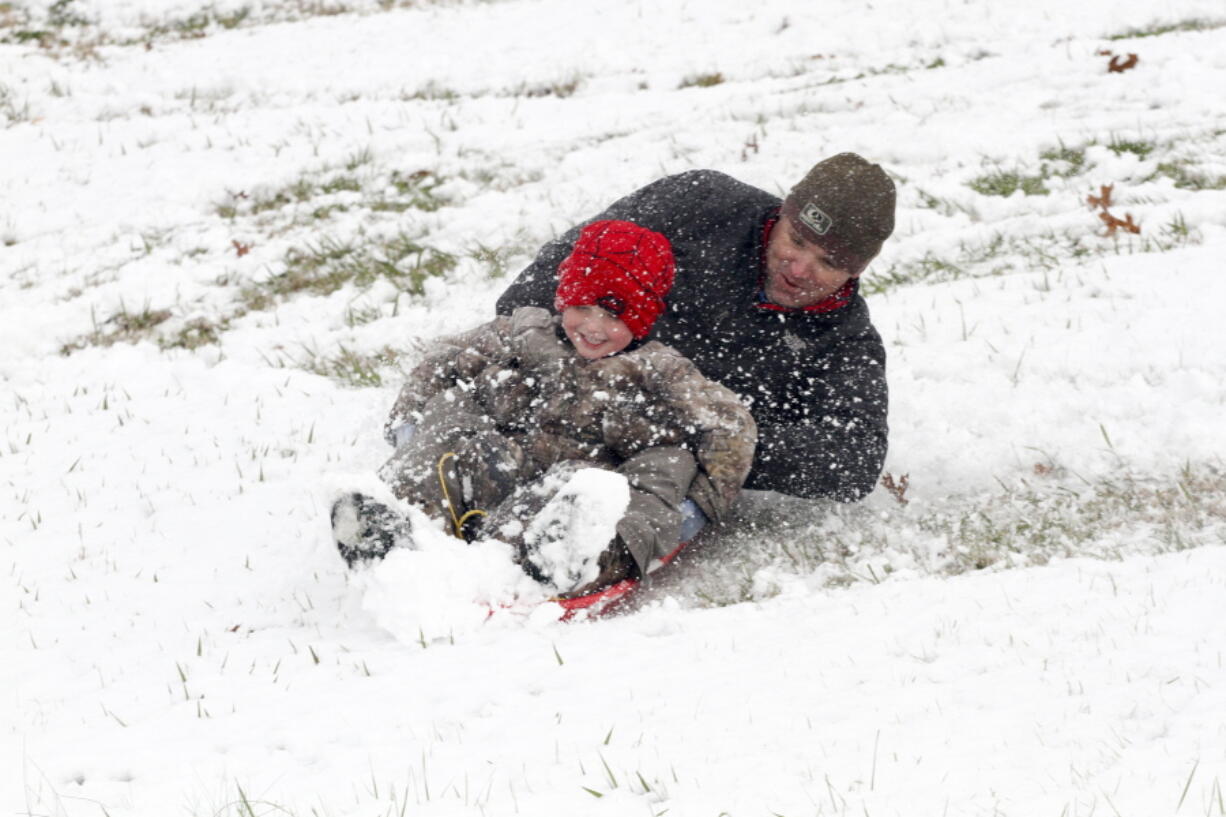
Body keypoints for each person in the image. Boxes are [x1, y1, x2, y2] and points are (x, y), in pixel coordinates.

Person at [333, 220, 757, 597]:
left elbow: (732, 425)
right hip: (503, 467)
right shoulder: (524, 334)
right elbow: (442, 360)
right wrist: (410, 433)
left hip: (573, 494)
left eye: (613, 314)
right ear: (563, 298)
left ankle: (559, 560)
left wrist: (696, 510)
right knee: (452, 410)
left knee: (665, 463)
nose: (592, 326)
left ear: (642, 319)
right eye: (581, 306)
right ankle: (394, 535)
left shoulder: (660, 374)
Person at [496, 152, 896, 506]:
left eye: (827, 262)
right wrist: (564, 371)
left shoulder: (843, 340)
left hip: (662, 462)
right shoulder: (701, 205)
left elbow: (853, 461)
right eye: (795, 239)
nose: (799, 268)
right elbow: (551, 275)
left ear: (857, 269)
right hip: (565, 386)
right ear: (784, 214)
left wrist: (691, 432)